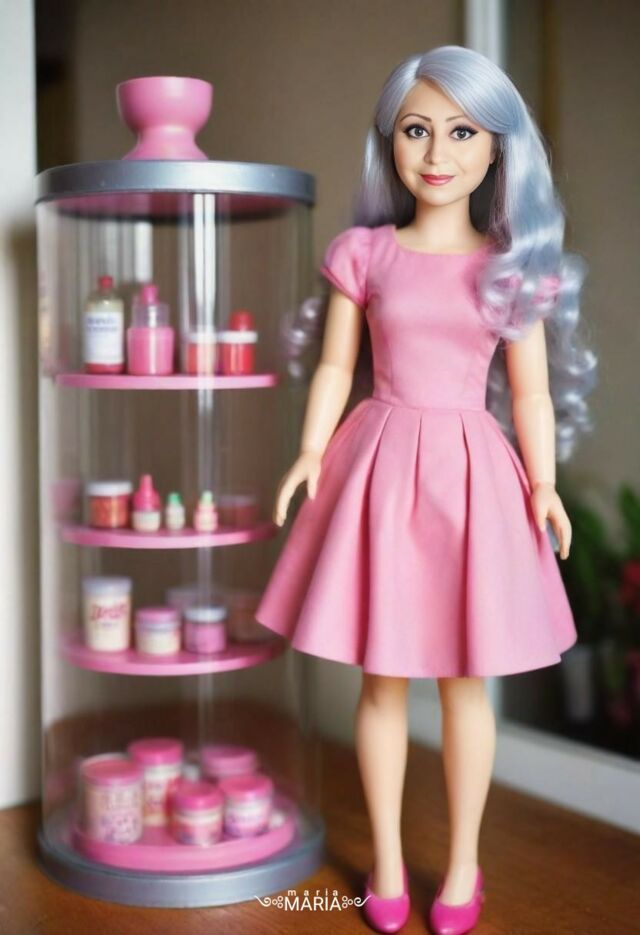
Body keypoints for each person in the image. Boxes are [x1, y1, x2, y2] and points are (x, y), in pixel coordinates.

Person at [254, 45, 597, 934]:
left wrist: (544, 482)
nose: (437, 152)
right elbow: (337, 366)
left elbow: (529, 391)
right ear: (390, 142)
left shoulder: (510, 265)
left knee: (463, 684)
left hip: (471, 478)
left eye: (462, 132)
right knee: (382, 681)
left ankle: (465, 863)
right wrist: (308, 450)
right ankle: (387, 861)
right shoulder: (365, 253)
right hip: (380, 465)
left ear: (497, 149)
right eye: (416, 130)